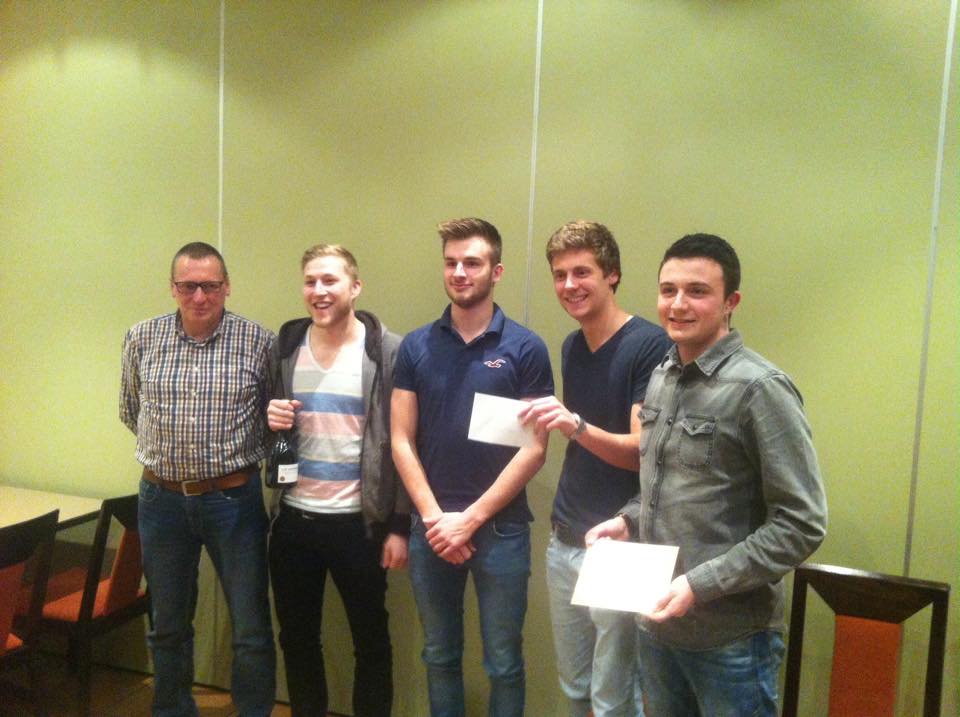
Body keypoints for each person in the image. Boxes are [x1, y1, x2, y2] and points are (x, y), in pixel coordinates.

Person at [586, 233, 828, 717]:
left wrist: (699, 584)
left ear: (730, 302)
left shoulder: (760, 388)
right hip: (658, 627)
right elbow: (667, 483)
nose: (678, 304)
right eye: (668, 290)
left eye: (697, 291)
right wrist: (627, 521)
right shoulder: (663, 375)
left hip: (731, 642)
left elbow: (801, 524)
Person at [391, 217, 554, 717]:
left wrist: (471, 519)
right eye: (451, 263)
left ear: (496, 271)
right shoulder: (416, 346)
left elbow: (535, 449)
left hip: (501, 530)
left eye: (472, 263)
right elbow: (400, 438)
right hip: (432, 529)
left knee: (503, 662)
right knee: (439, 655)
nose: (459, 272)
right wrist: (436, 519)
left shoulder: (525, 347)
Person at [519, 221, 670, 717]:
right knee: (575, 688)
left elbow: (641, 450)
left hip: (624, 544)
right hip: (566, 536)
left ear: (613, 275)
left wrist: (575, 425)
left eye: (582, 272)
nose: (569, 285)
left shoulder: (650, 346)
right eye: (559, 275)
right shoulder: (572, 346)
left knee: (616, 698)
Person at [120, 242, 276, 717]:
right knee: (166, 623)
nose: (200, 296)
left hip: (234, 501)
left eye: (210, 285)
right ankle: (172, 709)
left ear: (227, 287)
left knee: (250, 627)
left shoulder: (259, 341)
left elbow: (272, 422)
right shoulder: (141, 337)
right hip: (160, 501)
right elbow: (130, 410)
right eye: (188, 286)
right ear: (173, 288)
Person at [265, 244, 409, 717]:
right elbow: (267, 429)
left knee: (371, 642)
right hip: (294, 522)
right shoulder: (286, 347)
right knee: (297, 639)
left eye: (330, 280)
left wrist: (399, 525)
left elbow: (407, 442)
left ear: (355, 286)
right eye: (310, 281)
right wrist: (270, 419)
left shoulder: (387, 351)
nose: (319, 291)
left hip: (359, 525)